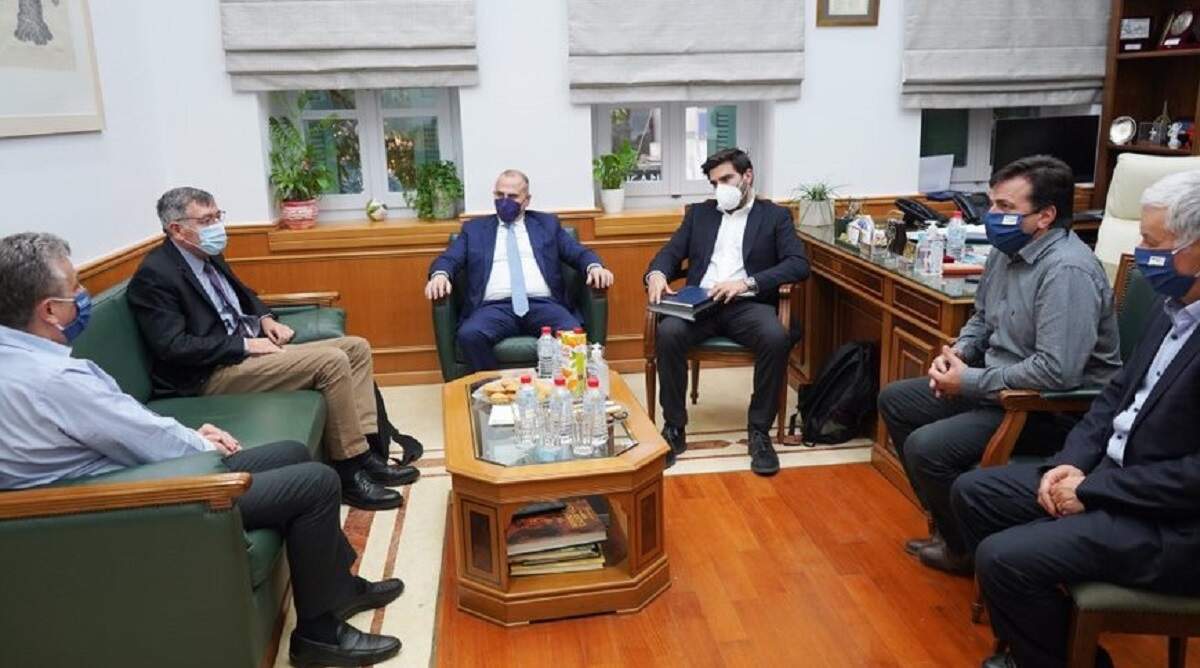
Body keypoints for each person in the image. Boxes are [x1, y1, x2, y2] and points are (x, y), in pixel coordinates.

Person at [0, 232, 404, 666]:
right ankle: (319, 636)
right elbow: (141, 436)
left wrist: (191, 434)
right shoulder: (55, 380)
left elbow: (123, 425)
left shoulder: (20, 359)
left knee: (290, 453)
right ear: (49, 310)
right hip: (127, 500)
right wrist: (198, 441)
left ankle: (337, 589)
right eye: (76, 287)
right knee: (316, 482)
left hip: (122, 474)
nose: (83, 295)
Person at [952, 171, 1200, 668]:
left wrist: (1092, 491)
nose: (1142, 254)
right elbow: (1113, 398)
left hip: (1170, 524)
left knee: (1004, 560)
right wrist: (1070, 464)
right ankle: (1049, 645)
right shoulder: (1173, 308)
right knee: (974, 495)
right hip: (1108, 476)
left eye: (1153, 244)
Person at [878, 156, 1121, 575]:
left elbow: (1056, 372)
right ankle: (953, 529)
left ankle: (966, 548)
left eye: (1005, 207)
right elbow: (982, 318)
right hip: (997, 387)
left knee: (927, 448)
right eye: (992, 204)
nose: (992, 215)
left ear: (1045, 216)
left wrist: (969, 381)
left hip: (1048, 408)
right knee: (896, 400)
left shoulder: (1067, 270)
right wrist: (959, 354)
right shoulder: (1008, 251)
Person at [126, 187, 418, 512]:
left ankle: (368, 456)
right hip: (209, 374)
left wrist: (265, 318)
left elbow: (243, 294)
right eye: (206, 220)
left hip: (246, 351)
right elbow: (174, 346)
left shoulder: (206, 254)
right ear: (177, 229)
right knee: (333, 361)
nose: (217, 226)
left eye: (218, 216)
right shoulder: (155, 275)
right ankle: (350, 473)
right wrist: (246, 344)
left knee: (356, 348)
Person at [645, 148, 809, 476]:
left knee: (776, 337)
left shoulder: (774, 216)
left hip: (747, 304)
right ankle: (674, 428)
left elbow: (798, 264)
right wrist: (657, 274)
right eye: (714, 183)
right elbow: (671, 252)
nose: (720, 188)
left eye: (727, 179)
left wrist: (747, 283)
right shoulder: (700, 214)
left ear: (747, 176)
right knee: (669, 333)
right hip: (701, 303)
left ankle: (759, 432)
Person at [424, 169, 614, 371]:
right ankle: (493, 384)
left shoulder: (547, 224)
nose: (504, 201)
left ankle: (560, 387)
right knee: (470, 335)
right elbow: (449, 258)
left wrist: (595, 267)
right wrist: (440, 275)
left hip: (542, 304)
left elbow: (577, 252)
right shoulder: (475, 229)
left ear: (526, 200)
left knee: (571, 334)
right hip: (494, 307)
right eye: (499, 195)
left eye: (513, 196)